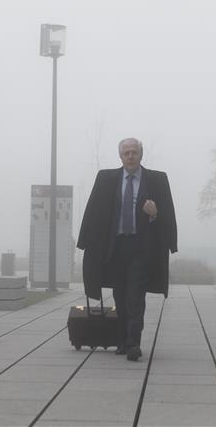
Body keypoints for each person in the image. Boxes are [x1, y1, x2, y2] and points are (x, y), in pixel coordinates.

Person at [77, 138, 178, 361]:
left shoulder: (156, 180)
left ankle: (133, 343)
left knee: (136, 296)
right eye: (126, 153)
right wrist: (84, 241)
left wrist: (154, 214)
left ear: (141, 155)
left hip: (141, 247)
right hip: (115, 247)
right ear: (120, 156)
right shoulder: (106, 179)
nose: (130, 156)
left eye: (134, 152)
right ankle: (122, 339)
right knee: (120, 296)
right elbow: (93, 209)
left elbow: (168, 213)